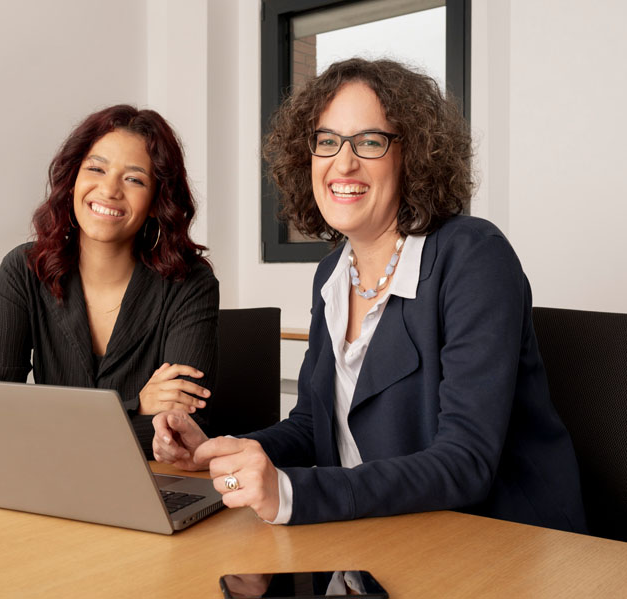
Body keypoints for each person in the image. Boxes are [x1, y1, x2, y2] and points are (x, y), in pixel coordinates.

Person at [152, 58, 586, 533]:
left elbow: (465, 462)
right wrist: (218, 451)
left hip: (498, 542)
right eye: (327, 141)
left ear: (414, 156)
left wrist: (291, 492)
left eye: (370, 141)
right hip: (383, 536)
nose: (344, 162)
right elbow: (313, 424)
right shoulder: (331, 275)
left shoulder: (474, 257)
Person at [0, 104, 218, 471]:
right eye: (96, 169)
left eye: (134, 179)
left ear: (156, 200)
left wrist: (23, 430)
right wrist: (137, 407)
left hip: (149, 485)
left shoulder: (190, 282)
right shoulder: (24, 270)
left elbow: (178, 433)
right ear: (73, 178)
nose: (109, 190)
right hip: (47, 482)